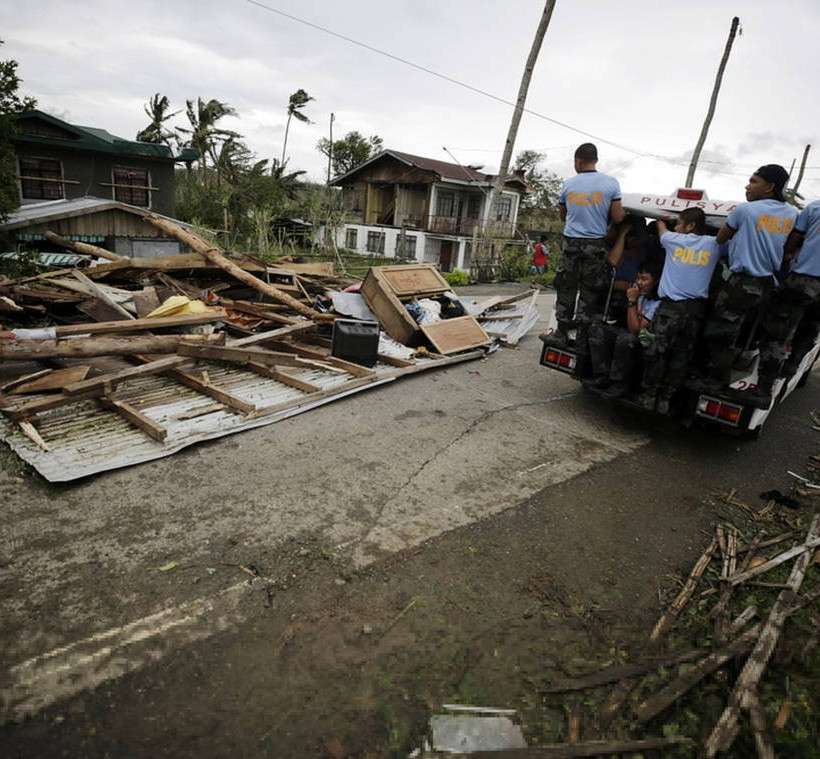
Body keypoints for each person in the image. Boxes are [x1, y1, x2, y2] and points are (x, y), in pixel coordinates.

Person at [701, 165, 798, 398]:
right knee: (770, 337)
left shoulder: (745, 210)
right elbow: (789, 248)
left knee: (721, 330)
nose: (747, 186)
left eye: (754, 181)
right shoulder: (792, 213)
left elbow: (721, 238)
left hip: (742, 282)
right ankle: (764, 386)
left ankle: (717, 381)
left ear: (769, 186)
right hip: (769, 282)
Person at [639, 207, 724, 412]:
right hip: (694, 312)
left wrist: (663, 217)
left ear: (690, 225)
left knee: (657, 351)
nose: (675, 227)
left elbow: (660, 226)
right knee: (681, 356)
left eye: (678, 223)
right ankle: (666, 399)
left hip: (670, 309)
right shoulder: (714, 244)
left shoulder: (673, 240)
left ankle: (650, 395)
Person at [551, 143, 627, 370]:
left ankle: (562, 331)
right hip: (595, 244)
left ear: (578, 161)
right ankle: (582, 338)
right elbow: (618, 217)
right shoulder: (611, 183)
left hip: (571, 243)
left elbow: (563, 216)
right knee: (590, 290)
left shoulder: (568, 184)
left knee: (566, 286)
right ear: (595, 160)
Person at [756, 198, 820, 401]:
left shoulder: (815, 207)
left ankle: (763, 388)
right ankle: (790, 369)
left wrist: (785, 255)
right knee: (810, 330)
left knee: (777, 333)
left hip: (804, 279)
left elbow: (794, 239)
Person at [587, 261, 661, 398]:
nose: (639, 282)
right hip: (630, 332)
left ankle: (620, 383)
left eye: (644, 279)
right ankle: (602, 375)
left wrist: (632, 301)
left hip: (646, 342)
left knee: (626, 339)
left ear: (656, 281)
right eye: (638, 278)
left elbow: (635, 330)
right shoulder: (640, 295)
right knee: (597, 330)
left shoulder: (657, 303)